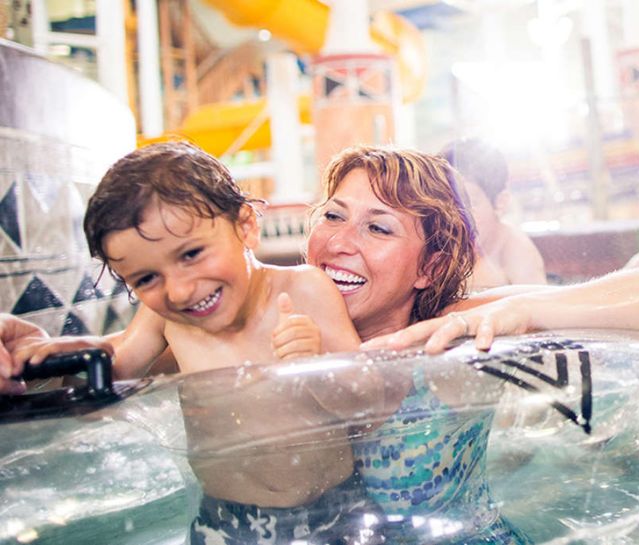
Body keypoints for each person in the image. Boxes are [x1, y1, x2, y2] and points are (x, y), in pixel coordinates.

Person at [304, 145, 639, 542]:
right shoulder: (274, 323)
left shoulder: (449, 336)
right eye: (333, 216)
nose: (339, 242)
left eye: (378, 227)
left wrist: (523, 313)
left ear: (429, 267)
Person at [0, 142, 384, 545]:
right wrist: (47, 353)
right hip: (227, 523)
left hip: (334, 511)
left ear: (246, 227)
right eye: (146, 279)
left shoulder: (306, 289)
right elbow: (114, 367)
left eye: (192, 253)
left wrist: (317, 362)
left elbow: (370, 405)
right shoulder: (168, 318)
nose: (179, 291)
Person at [439, 137, 547, 289]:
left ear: (500, 203)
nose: (455, 215)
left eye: (469, 203)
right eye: (446, 203)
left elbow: (539, 306)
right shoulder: (442, 247)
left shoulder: (514, 249)